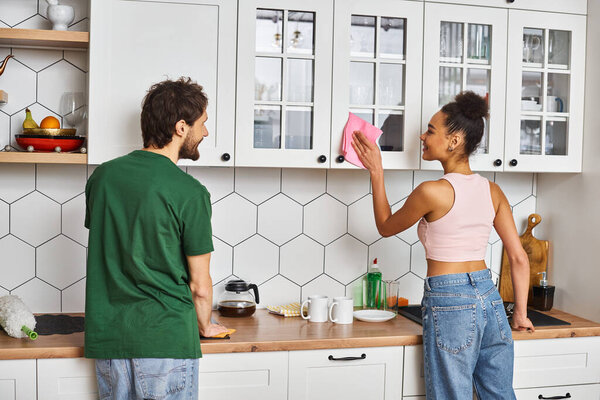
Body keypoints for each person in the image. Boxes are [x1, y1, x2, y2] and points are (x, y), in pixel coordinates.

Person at [352, 91, 535, 400]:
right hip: (489, 298)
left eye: (431, 130)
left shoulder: (432, 192)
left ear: (454, 141)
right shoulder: (493, 191)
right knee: (500, 395)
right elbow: (518, 257)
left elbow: (385, 227)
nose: (423, 136)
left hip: (451, 300)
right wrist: (520, 312)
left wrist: (376, 171)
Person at [84, 77, 228, 399]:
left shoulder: (102, 178)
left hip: (111, 342)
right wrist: (205, 326)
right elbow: (200, 287)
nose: (205, 132)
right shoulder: (190, 192)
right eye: (202, 123)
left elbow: (117, 247)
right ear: (180, 127)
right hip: (167, 340)